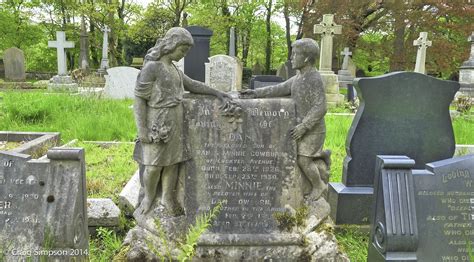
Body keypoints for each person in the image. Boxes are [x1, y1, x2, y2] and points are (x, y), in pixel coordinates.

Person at [134, 27, 232, 215]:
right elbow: (139, 99)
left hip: (176, 121)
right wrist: (142, 130)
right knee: (153, 165)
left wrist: (217, 93)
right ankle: (148, 197)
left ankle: (167, 199)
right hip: (157, 122)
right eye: (182, 50)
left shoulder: (174, 70)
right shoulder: (152, 68)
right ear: (171, 45)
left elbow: (193, 85)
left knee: (172, 163)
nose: (184, 54)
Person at [240, 38, 328, 199]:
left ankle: (318, 185)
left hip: (313, 130)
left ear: (307, 58)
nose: (291, 57)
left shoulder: (314, 78)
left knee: (303, 160)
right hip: (300, 128)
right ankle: (321, 158)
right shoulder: (298, 77)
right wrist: (254, 93)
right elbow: (279, 88)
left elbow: (321, 107)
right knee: (296, 157)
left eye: (295, 54)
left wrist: (304, 126)